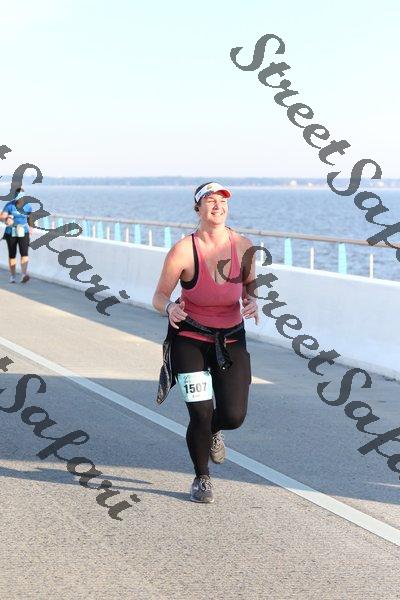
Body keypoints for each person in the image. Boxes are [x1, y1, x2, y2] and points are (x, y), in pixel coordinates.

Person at [153, 181, 259, 503]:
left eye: (222, 201)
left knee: (234, 415)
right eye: (210, 201)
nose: (217, 206)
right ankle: (202, 477)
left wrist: (253, 300)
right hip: (190, 338)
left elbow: (249, 286)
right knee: (200, 413)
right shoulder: (184, 250)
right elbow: (159, 296)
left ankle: (214, 430)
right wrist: (170, 308)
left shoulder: (243, 246)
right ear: (198, 208)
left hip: (231, 338)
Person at [1, 187, 33, 283]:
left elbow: (30, 218)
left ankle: (23, 275)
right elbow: (2, 216)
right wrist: (6, 219)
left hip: (24, 232)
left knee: (24, 253)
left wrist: (31, 228)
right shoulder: (9, 205)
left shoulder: (28, 206)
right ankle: (13, 276)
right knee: (12, 255)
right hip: (11, 232)